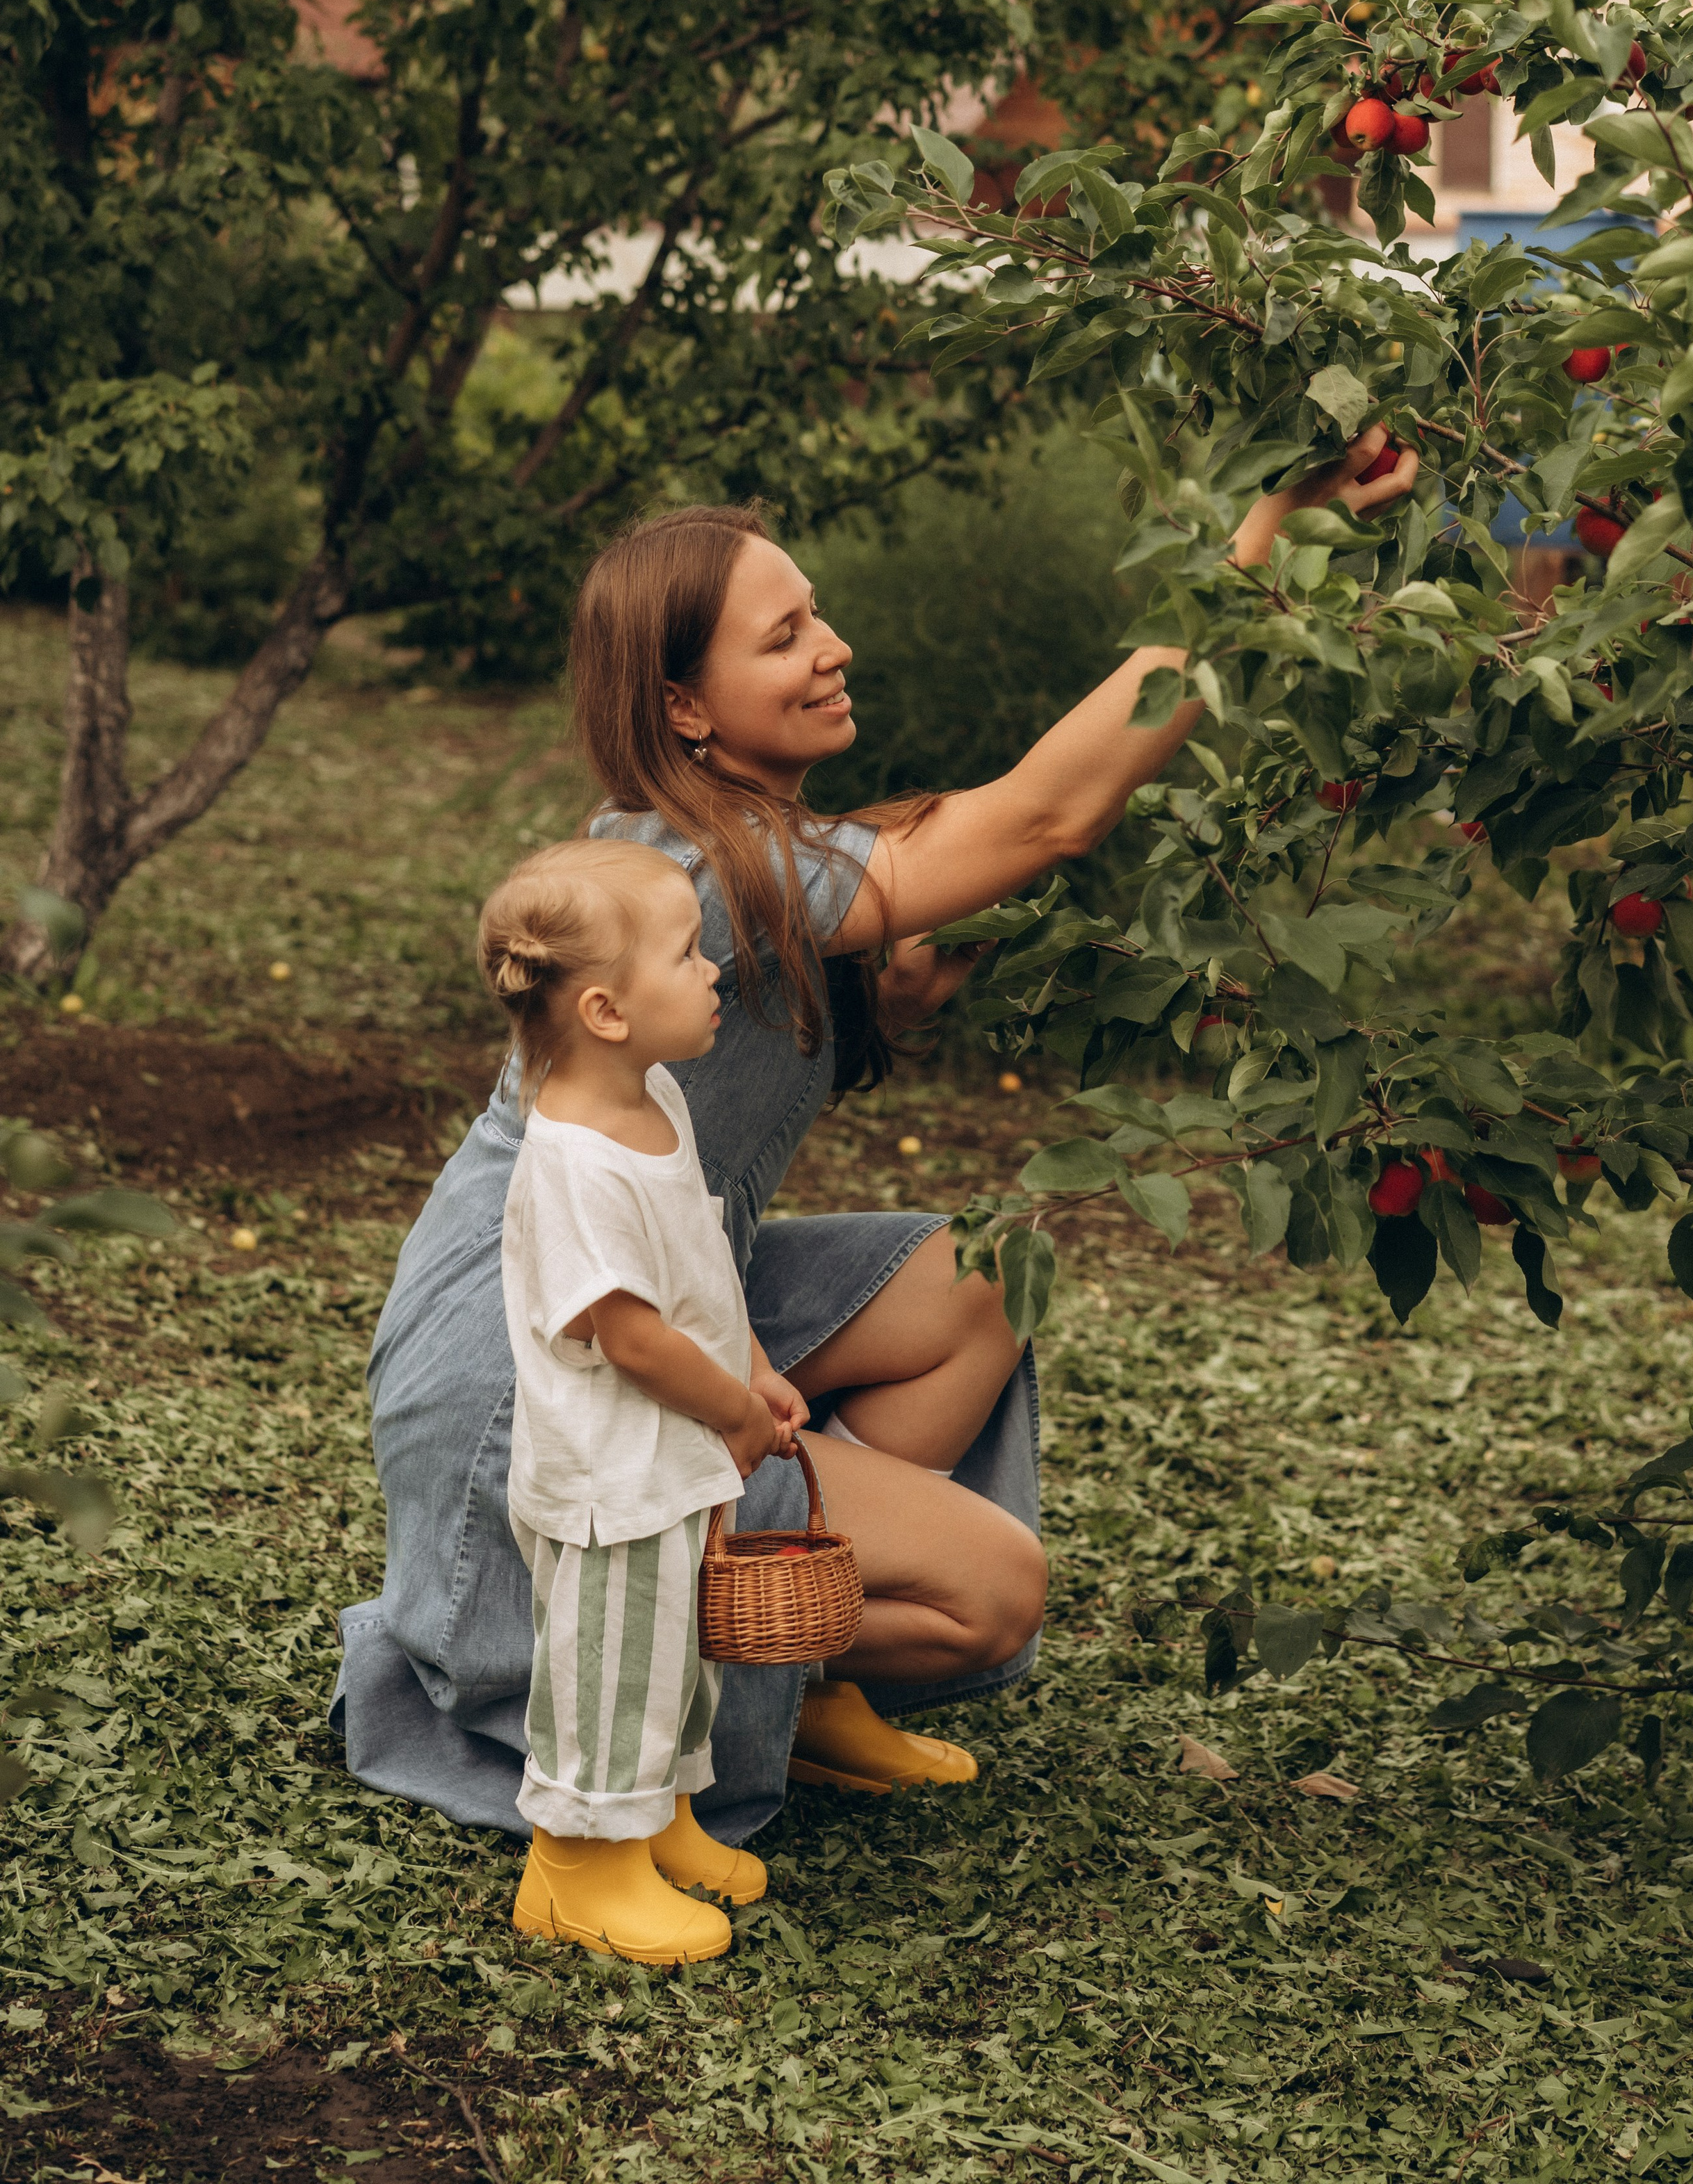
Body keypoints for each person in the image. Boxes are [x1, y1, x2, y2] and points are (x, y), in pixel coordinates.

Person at [330, 425, 1416, 1850]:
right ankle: (743, 1660)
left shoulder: (735, 849)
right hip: (542, 1355)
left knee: (982, 1276)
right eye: (783, 636)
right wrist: (1266, 528)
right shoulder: (685, 874)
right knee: (990, 1595)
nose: (832, 648)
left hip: (676, 1285)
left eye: (817, 615)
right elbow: (1046, 816)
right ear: (685, 706)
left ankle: (798, 1658)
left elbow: (804, 996)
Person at [482, 835, 807, 1964]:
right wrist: (735, 1413)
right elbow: (631, 1337)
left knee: (674, 1657)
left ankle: (659, 1822)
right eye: (689, 954)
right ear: (608, 1011)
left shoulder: (655, 1096)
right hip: (610, 1487)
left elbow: (695, 1263)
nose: (716, 972)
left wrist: (752, 1364)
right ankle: (576, 1868)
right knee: (612, 1679)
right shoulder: (577, 1163)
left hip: (668, 1467)